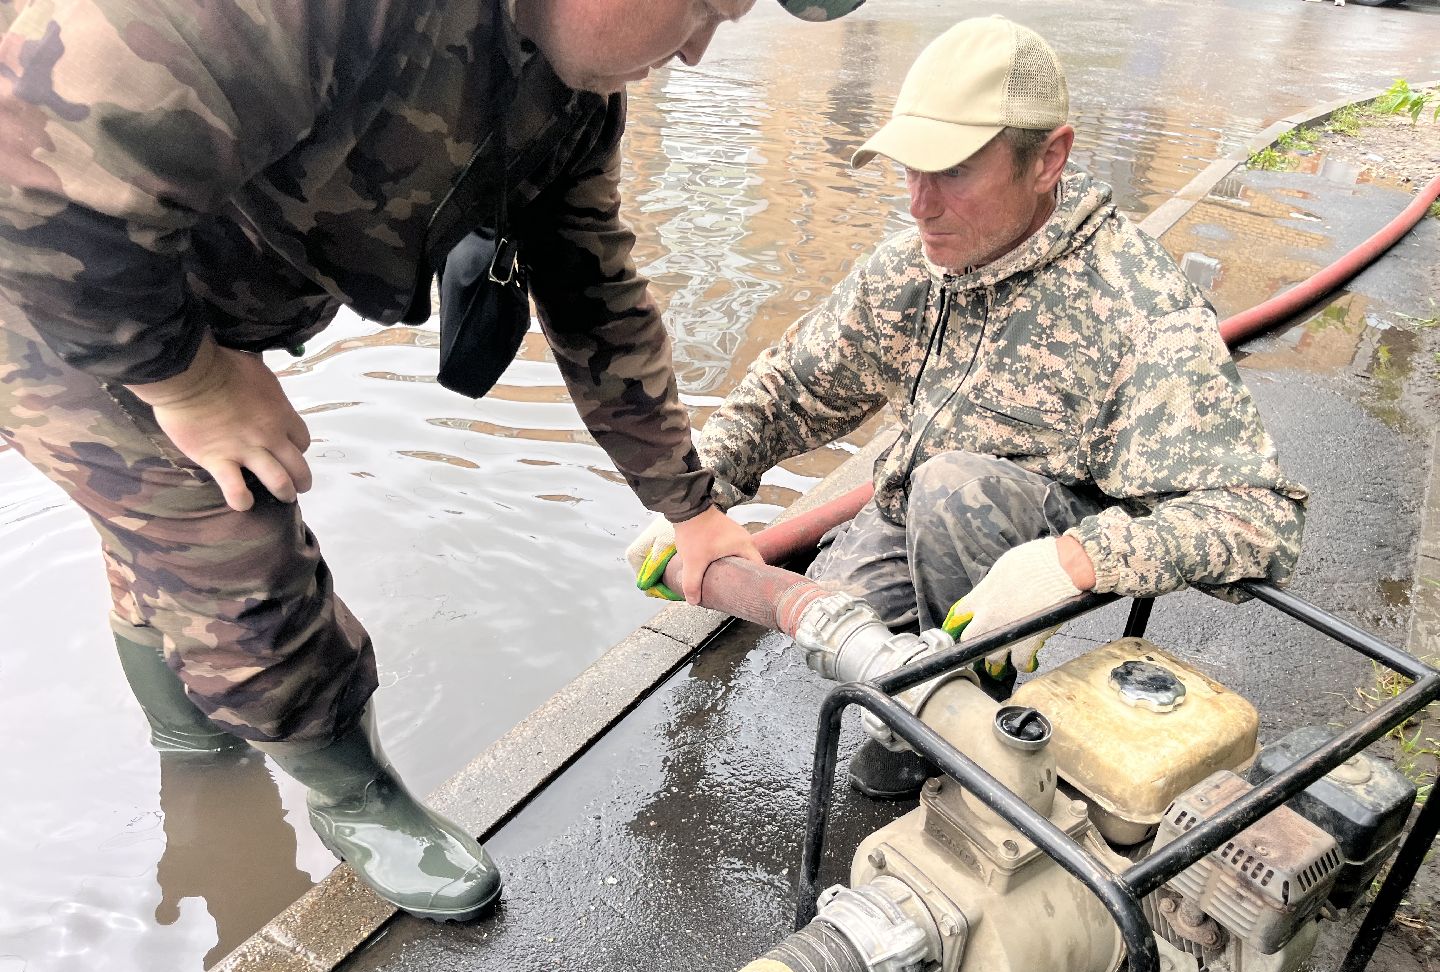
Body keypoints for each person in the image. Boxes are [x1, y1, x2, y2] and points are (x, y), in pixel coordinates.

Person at [0, 0, 865, 922]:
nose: (695, 51)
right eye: (702, 4)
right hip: (59, 299)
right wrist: (190, 385)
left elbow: (594, 295)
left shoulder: (572, 95)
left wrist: (689, 507)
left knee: (154, 545)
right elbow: (30, 178)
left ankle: (197, 751)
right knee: (232, 550)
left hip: (189, 295)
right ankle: (350, 795)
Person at [628, 15, 1308, 799]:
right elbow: (795, 386)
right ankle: (920, 696)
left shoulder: (1135, 309)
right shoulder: (922, 265)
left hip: (1038, 529)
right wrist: (693, 493)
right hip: (919, 499)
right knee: (837, 621)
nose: (920, 205)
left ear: (1048, 157)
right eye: (910, 170)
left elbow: (1260, 518)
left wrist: (1074, 564)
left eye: (951, 171)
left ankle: (978, 727)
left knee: (954, 490)